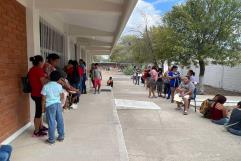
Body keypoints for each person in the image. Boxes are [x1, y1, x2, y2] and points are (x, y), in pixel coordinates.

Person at [41, 71, 65, 144]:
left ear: (50, 77)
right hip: (58, 104)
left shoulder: (46, 86)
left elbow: (43, 99)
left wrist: (43, 109)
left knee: (51, 122)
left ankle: (51, 139)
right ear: (58, 78)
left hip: (50, 105)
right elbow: (62, 96)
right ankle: (61, 136)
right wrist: (59, 101)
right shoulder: (59, 86)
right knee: (60, 120)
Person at [28, 55, 48, 137]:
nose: (43, 63)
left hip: (34, 93)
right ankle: (36, 131)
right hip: (38, 94)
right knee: (38, 113)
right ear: (40, 62)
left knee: (39, 111)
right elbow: (43, 82)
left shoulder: (31, 70)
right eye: (42, 61)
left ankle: (41, 126)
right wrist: (50, 79)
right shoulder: (39, 70)